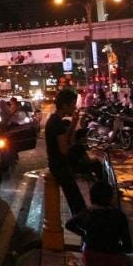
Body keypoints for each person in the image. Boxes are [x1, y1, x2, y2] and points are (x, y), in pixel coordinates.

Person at [66, 181, 133, 266]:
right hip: (113, 265)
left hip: (90, 261)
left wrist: (85, 234)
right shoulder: (118, 215)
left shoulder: (88, 213)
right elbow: (127, 246)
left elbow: (69, 225)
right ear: (110, 198)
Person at [45, 88, 104, 216]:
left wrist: (73, 125)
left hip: (59, 165)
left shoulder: (56, 120)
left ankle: (82, 223)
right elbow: (65, 149)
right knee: (76, 203)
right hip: (60, 167)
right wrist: (77, 150)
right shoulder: (56, 124)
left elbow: (68, 141)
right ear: (65, 105)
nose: (74, 107)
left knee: (76, 201)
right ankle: (82, 226)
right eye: (72, 104)